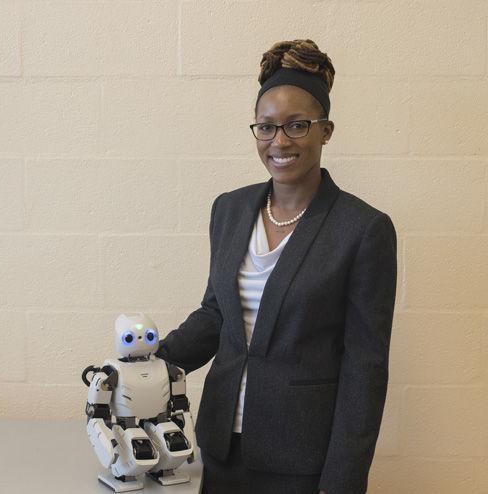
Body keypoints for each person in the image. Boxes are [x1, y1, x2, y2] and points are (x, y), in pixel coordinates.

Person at [156, 39, 397, 494]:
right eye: (265, 128)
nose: (279, 141)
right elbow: (217, 313)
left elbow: (365, 365)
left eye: (297, 125)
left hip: (303, 456)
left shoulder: (363, 229)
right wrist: (152, 361)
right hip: (222, 444)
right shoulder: (229, 210)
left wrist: (343, 479)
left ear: (326, 131)